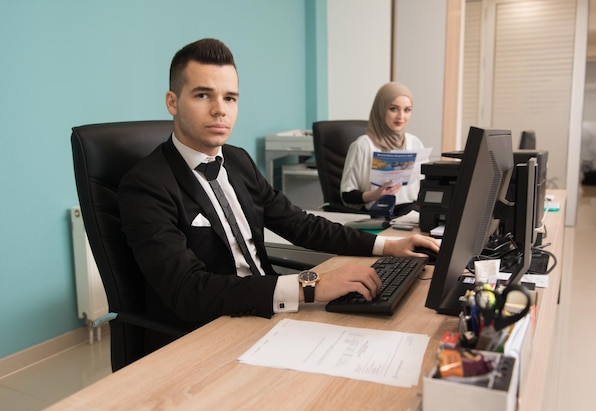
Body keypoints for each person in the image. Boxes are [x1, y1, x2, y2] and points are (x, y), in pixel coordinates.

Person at [118, 38, 439, 351]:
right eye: (203, 95)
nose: (220, 110)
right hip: (207, 331)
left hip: (267, 312)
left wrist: (389, 245)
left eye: (230, 98)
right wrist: (309, 286)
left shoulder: (238, 160)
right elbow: (188, 291)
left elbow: (300, 224)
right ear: (172, 102)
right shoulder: (146, 185)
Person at [341, 82, 425, 216]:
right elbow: (347, 195)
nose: (401, 117)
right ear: (380, 109)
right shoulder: (362, 145)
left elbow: (423, 187)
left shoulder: (414, 143)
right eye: (393, 109)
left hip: (411, 213)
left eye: (407, 110)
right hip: (377, 213)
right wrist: (375, 194)